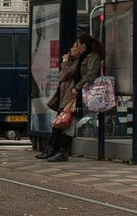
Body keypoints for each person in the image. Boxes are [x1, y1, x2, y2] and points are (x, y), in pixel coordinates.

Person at [40, 33, 103, 162]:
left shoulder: (92, 57)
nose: (76, 47)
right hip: (75, 93)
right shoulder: (83, 58)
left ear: (84, 45)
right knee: (67, 121)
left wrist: (77, 87)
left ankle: (62, 151)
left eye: (78, 45)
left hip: (80, 93)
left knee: (69, 122)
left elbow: (89, 75)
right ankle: (59, 150)